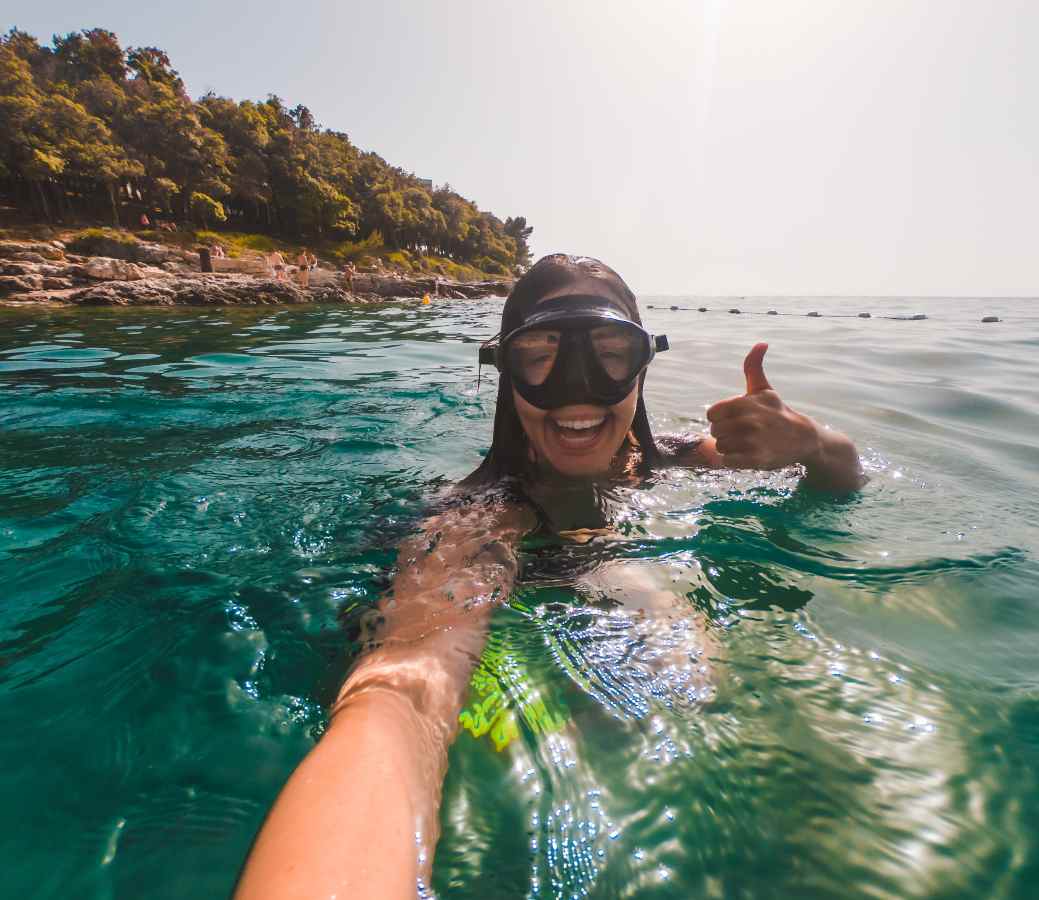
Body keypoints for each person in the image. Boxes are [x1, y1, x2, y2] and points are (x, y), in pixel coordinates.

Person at [235, 254, 863, 899]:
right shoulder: (475, 518)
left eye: (610, 353)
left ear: (642, 364)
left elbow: (846, 477)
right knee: (660, 632)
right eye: (539, 355)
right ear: (507, 374)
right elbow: (406, 688)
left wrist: (814, 446)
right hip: (530, 608)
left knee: (677, 655)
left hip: (633, 719)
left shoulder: (682, 458)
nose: (576, 388)